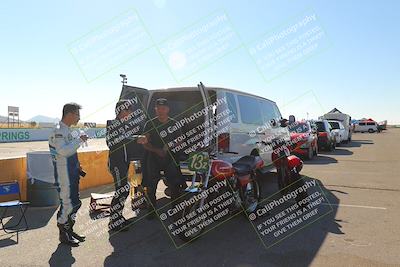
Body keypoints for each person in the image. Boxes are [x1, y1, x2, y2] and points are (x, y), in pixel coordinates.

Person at [49, 103, 88, 246]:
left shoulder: (67, 130)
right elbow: (63, 151)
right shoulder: (58, 130)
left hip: (71, 173)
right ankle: (63, 234)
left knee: (75, 203)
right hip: (63, 175)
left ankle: (69, 229)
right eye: (77, 114)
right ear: (70, 114)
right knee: (68, 204)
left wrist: (77, 166)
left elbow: (70, 152)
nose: (79, 118)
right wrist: (80, 140)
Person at [106, 100, 147, 231]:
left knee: (123, 190)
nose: (131, 113)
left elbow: (128, 138)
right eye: (129, 110)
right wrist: (136, 138)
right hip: (117, 163)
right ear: (122, 111)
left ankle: (118, 218)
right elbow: (115, 141)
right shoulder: (113, 124)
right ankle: (114, 221)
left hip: (124, 163)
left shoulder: (126, 125)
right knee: (121, 191)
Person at [141, 98, 185, 216]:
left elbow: (180, 141)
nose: (161, 111)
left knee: (175, 184)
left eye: (163, 108)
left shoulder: (174, 123)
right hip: (153, 157)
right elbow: (145, 142)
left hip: (170, 158)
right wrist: (157, 150)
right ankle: (152, 209)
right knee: (151, 185)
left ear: (168, 109)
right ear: (155, 109)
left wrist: (169, 146)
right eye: (158, 108)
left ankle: (176, 210)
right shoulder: (150, 123)